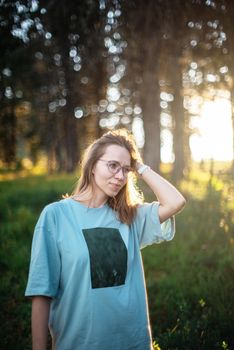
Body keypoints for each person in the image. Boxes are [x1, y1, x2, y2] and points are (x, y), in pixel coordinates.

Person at [25, 128, 186, 350]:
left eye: (125, 170)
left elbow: (175, 202)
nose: (120, 176)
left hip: (131, 343)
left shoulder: (130, 216)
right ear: (92, 166)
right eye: (112, 165)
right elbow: (42, 292)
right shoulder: (56, 216)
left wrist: (139, 166)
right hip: (78, 343)